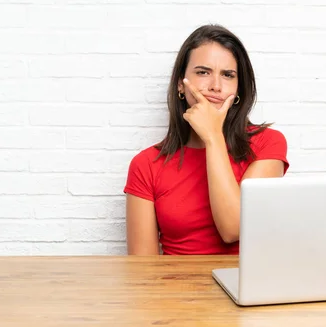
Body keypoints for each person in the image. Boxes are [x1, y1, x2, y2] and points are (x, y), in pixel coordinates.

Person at [123, 24, 290, 255]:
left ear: (238, 87)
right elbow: (142, 270)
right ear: (181, 84)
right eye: (203, 72)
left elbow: (232, 228)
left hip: (245, 289)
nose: (215, 86)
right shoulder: (146, 165)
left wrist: (213, 137)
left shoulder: (267, 144)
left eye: (228, 75)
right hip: (176, 289)